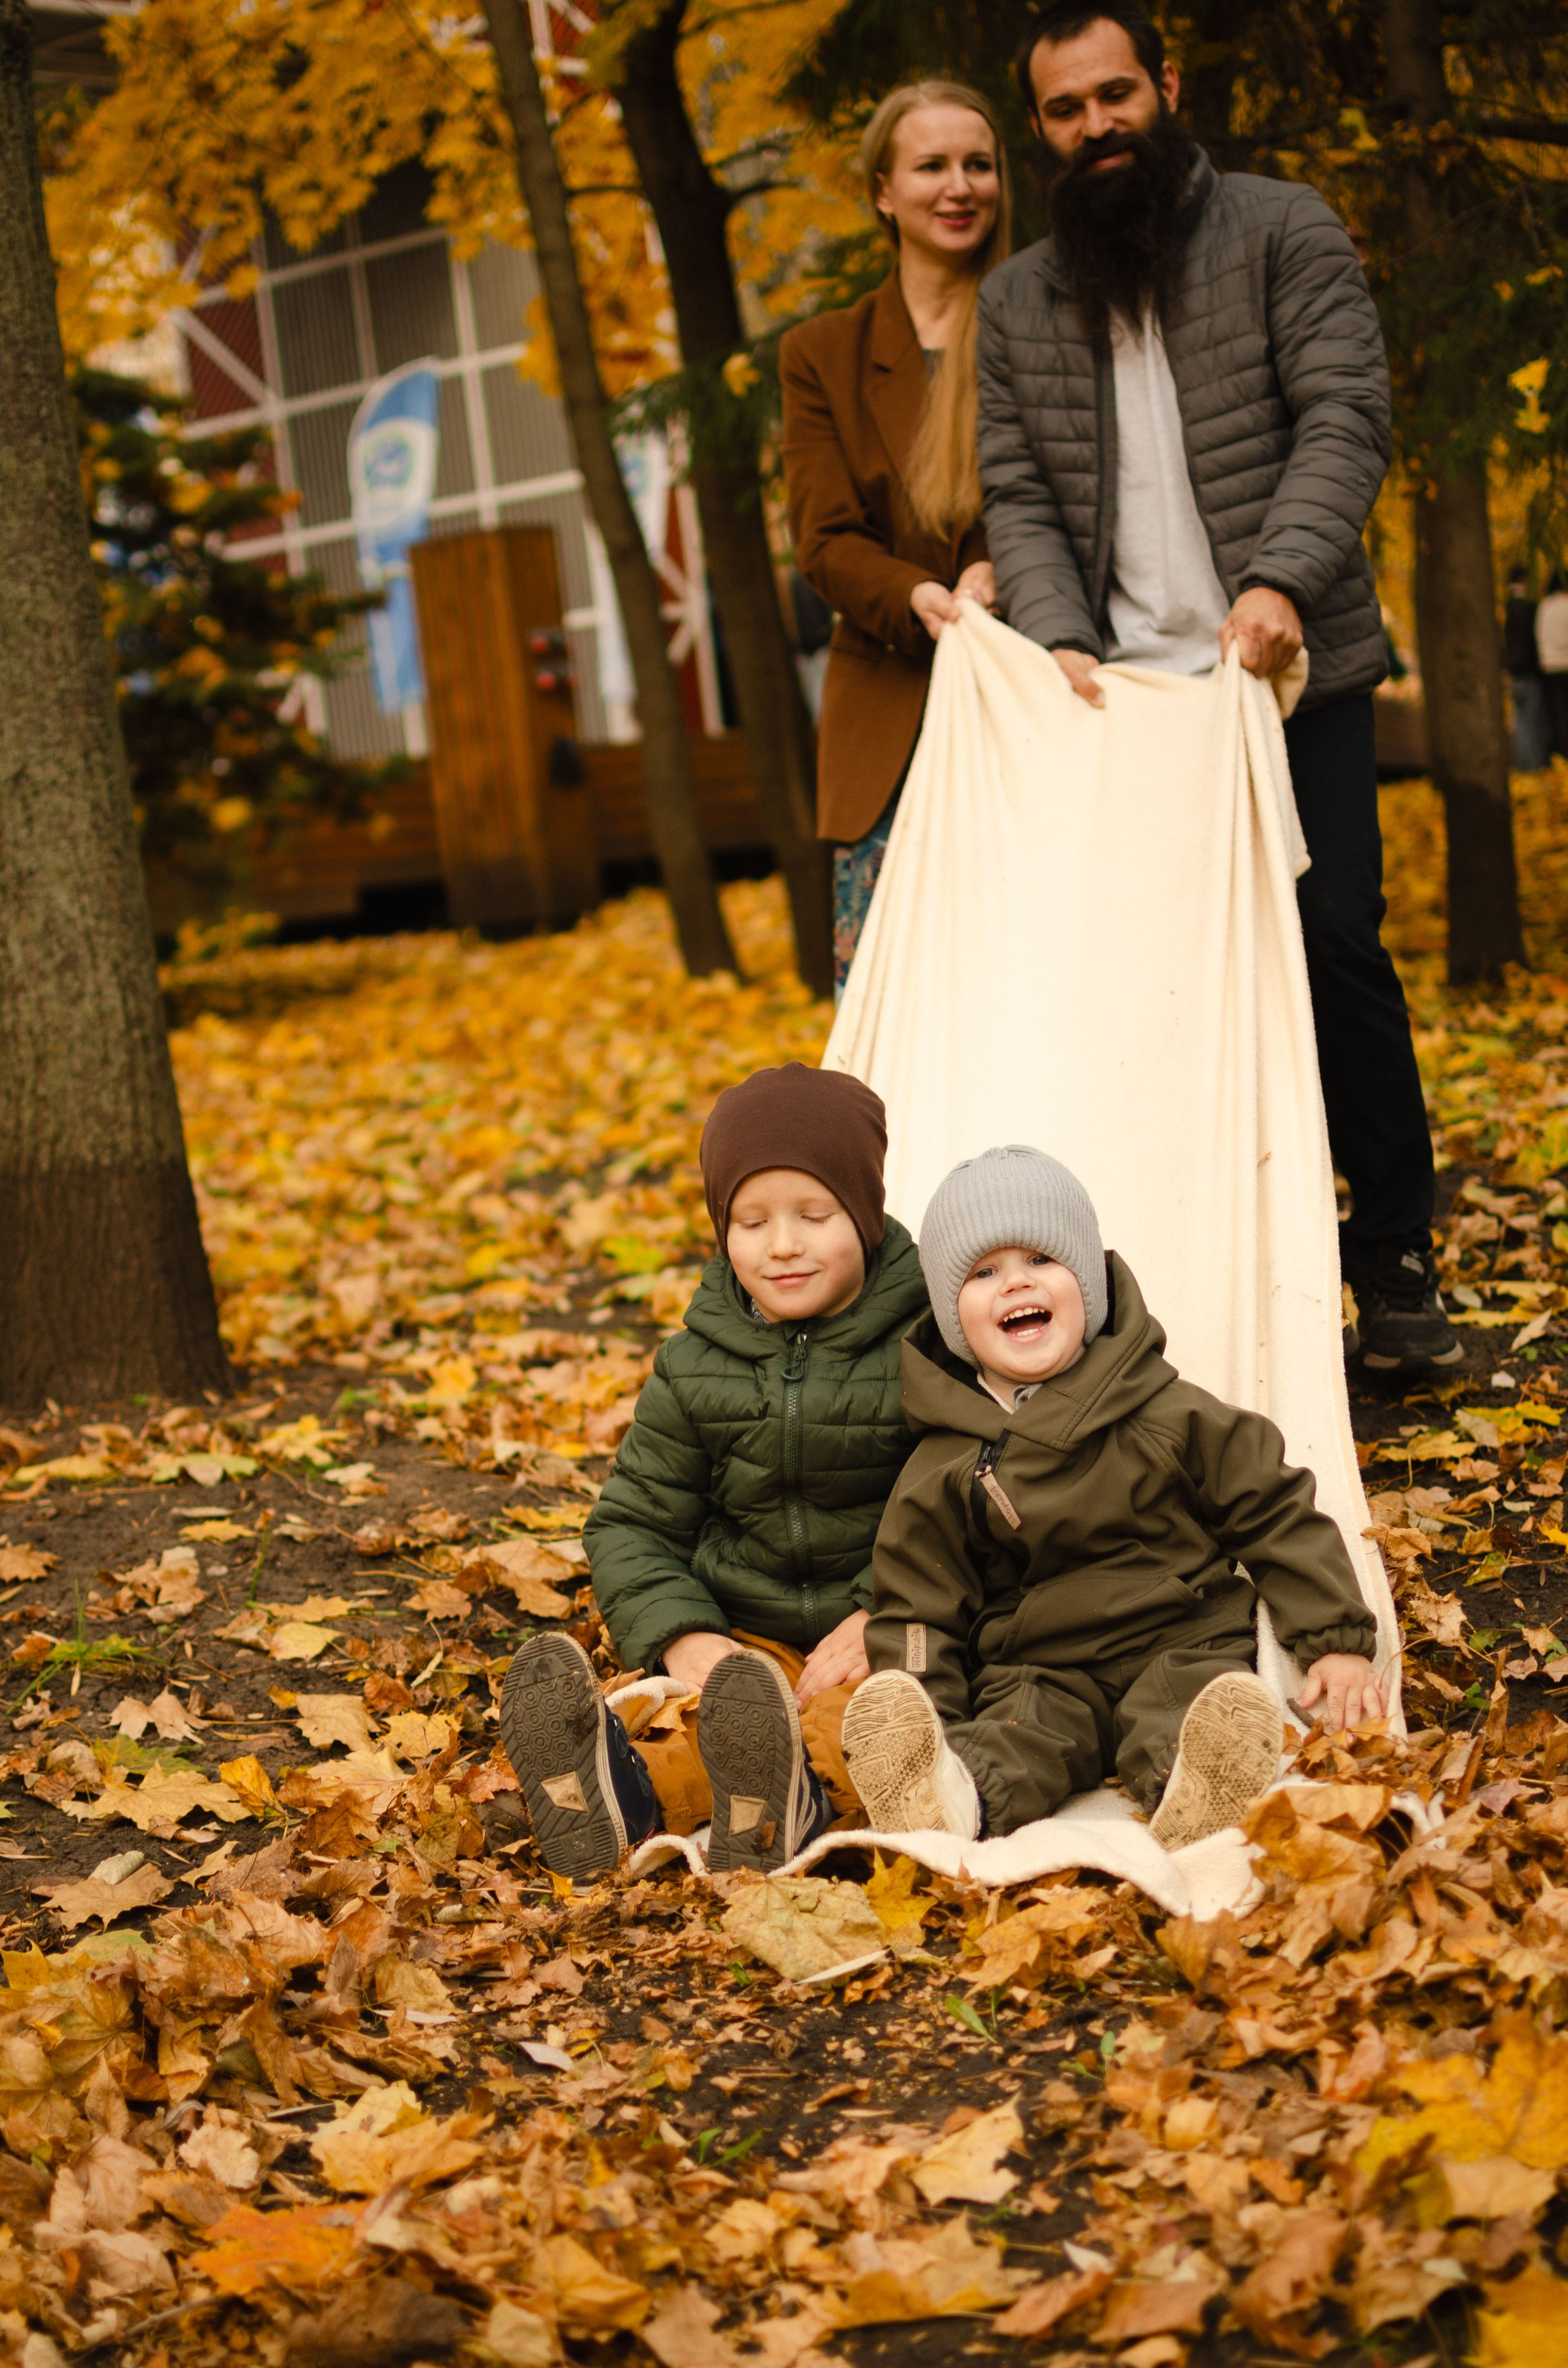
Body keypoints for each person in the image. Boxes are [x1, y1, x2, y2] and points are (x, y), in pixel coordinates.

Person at [973, 3, 1457, 1378]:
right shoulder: (1020, 297)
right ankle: (1219, 1280)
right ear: (1043, 128)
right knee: (1168, 997)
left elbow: (1344, 411)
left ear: (1164, 85)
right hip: (1126, 716)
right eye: (1064, 111)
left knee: (1331, 951)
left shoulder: (1279, 226)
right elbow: (1017, 488)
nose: (1094, 127)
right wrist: (1060, 639)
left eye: (1114, 94)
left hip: (1289, 675)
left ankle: (1396, 1263)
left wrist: (1279, 583)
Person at [841, 1146, 1384, 1847]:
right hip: (1038, 1664)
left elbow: (1272, 1507)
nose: (1015, 1283)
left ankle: (1201, 1783)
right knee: (1019, 1735)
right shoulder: (946, 1460)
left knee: (1190, 1709)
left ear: (1087, 1283)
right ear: (953, 1319)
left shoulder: (1163, 1410)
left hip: (1178, 1634)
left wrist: (1334, 1637)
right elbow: (918, 1604)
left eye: (1041, 1259)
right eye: (982, 1272)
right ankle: (947, 1792)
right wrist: (927, 1716)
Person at [500, 1063, 929, 1879]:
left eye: (814, 1213)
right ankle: (618, 1790)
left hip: (882, 1629)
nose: (784, 1244)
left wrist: (889, 1606)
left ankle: (790, 1802)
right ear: (721, 1228)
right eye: (751, 1220)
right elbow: (632, 1521)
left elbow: (960, 1502)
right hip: (749, 1632)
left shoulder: (927, 1346)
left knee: (871, 1726)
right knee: (714, 1723)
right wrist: (686, 1633)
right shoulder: (698, 1365)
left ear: (866, 1215)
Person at [780, 81, 1011, 995]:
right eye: (932, 166)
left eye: (979, 165)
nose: (960, 188)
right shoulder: (823, 354)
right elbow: (824, 538)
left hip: (1029, 704)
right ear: (884, 191)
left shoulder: (1046, 324)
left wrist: (1009, 571)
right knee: (892, 1018)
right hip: (888, 715)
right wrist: (917, 596)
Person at [1504, 569, 1551, 772]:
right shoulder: (1531, 609)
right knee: (1532, 722)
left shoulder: (1508, 608)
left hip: (1515, 672)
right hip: (1530, 672)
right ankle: (1532, 766)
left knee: (1522, 722)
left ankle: (1524, 765)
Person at [1537, 570, 1568, 759]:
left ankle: (1561, 751)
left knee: (1558, 711)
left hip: (1550, 666)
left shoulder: (1545, 606)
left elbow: (1539, 635)